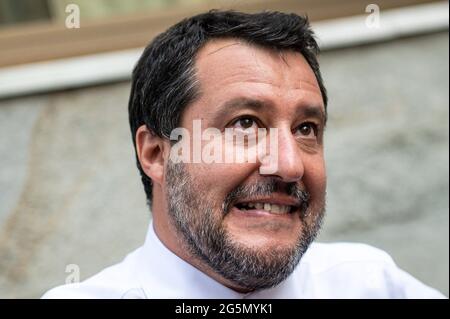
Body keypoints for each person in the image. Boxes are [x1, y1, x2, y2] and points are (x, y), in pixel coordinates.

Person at [43, 10, 445, 299]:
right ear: (156, 153)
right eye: (246, 124)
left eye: (306, 129)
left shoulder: (369, 284)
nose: (288, 165)